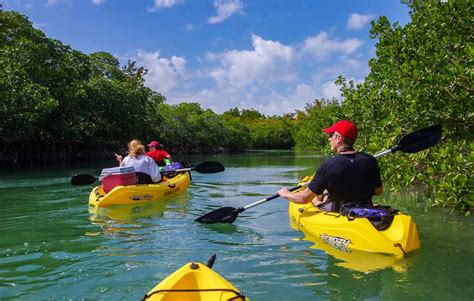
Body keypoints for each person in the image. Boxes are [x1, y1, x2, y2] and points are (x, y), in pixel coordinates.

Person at [278, 120, 383, 212]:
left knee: (315, 200)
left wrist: (286, 194)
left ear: (338, 137)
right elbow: (378, 191)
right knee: (324, 193)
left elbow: (303, 198)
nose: (329, 139)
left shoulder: (329, 165)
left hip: (339, 212)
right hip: (365, 207)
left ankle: (320, 200)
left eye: (331, 135)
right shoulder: (370, 160)